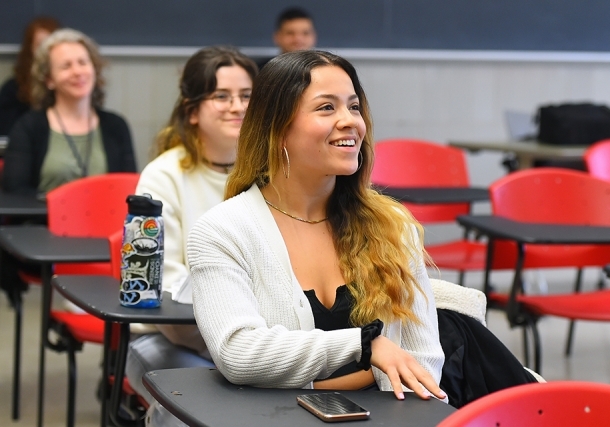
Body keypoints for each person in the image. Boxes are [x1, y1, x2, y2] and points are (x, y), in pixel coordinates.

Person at [187, 50, 537, 409]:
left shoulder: (392, 225)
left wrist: (316, 379)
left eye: (354, 107)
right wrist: (365, 346)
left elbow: (422, 362)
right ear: (277, 130)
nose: (350, 121)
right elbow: (239, 354)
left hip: (393, 414)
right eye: (327, 108)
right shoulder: (222, 231)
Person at [124, 46, 258, 425]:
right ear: (193, 110)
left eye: (246, 96)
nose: (237, 106)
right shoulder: (164, 176)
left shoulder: (270, 175)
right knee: (190, 412)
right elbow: (166, 284)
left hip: (249, 340)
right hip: (165, 337)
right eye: (222, 96)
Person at [3, 28, 137, 196]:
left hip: (105, 221)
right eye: (66, 66)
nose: (77, 72)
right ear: (49, 80)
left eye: (83, 62)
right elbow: (15, 192)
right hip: (45, 221)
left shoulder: (116, 126)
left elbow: (129, 190)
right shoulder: (28, 127)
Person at [0, 16, 60, 136]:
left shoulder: (68, 87)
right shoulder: (13, 89)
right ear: (30, 49)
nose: (45, 52)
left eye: (50, 46)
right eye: (40, 46)